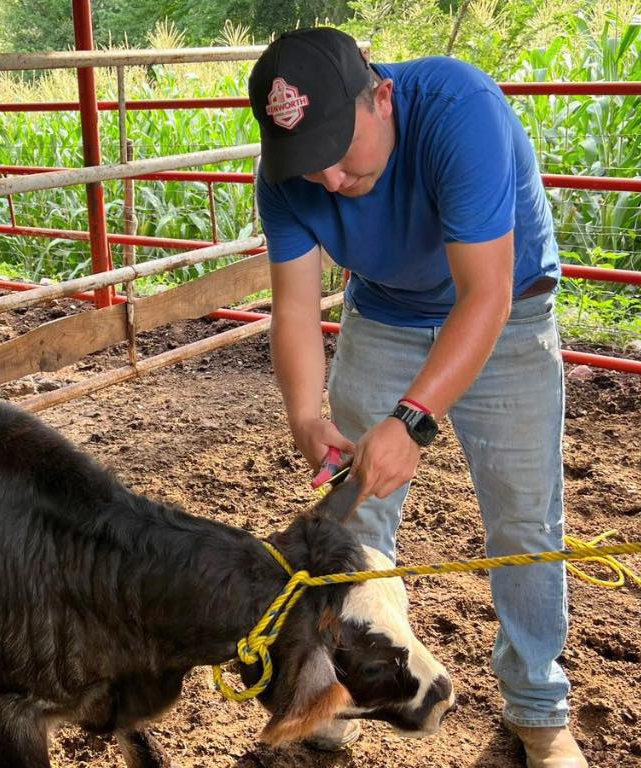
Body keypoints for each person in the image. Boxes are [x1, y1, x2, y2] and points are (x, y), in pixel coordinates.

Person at [248, 27, 584, 767]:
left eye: (340, 148)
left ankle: (537, 710)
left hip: (507, 313)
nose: (330, 179)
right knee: (357, 521)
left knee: (526, 518)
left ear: (384, 97)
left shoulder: (460, 109)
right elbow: (297, 308)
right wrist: (307, 413)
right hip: (388, 313)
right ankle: (338, 691)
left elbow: (486, 293)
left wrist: (413, 418)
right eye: (309, 164)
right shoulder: (285, 179)